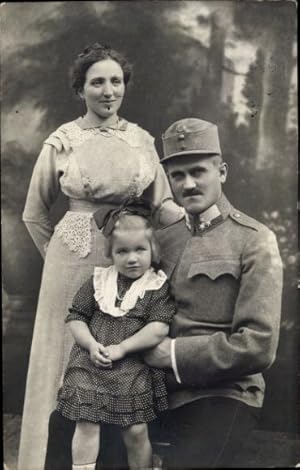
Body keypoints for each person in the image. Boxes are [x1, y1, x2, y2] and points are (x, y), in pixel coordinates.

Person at [19, 43, 182, 470]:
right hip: (73, 259)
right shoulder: (64, 140)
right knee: (66, 357)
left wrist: (193, 218)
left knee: (122, 357)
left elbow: (162, 204)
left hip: (129, 256)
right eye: (97, 82)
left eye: (116, 81)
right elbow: (34, 214)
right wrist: (59, 255)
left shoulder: (142, 140)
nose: (108, 91)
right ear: (81, 89)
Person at [144, 118, 283, 468]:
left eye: (198, 172)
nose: (188, 184)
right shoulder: (163, 240)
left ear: (221, 171)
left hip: (223, 393)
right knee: (70, 426)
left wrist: (172, 354)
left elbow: (258, 344)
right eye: (178, 176)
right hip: (158, 392)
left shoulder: (254, 239)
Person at [56, 202, 175, 470]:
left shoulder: (155, 286)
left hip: (131, 364)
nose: (132, 258)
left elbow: (158, 328)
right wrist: (90, 344)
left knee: (135, 430)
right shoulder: (99, 281)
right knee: (86, 422)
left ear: (152, 249)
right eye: (122, 251)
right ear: (110, 252)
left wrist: (122, 348)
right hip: (92, 362)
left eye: (140, 250)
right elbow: (76, 317)